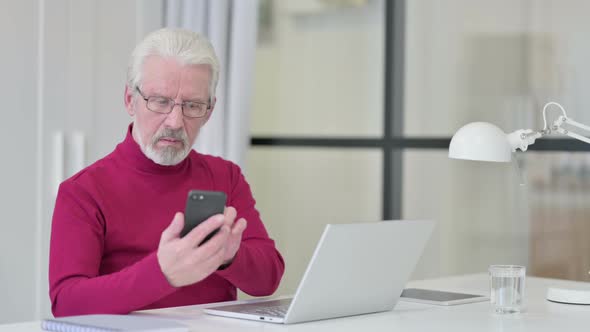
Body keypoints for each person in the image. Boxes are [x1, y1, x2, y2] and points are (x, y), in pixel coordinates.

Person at [48, 28, 285, 317]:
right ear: (129, 100)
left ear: (209, 111)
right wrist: (163, 272)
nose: (175, 121)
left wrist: (229, 255)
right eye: (160, 101)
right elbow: (67, 302)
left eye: (192, 105)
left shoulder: (226, 176)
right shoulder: (84, 191)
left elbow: (268, 279)